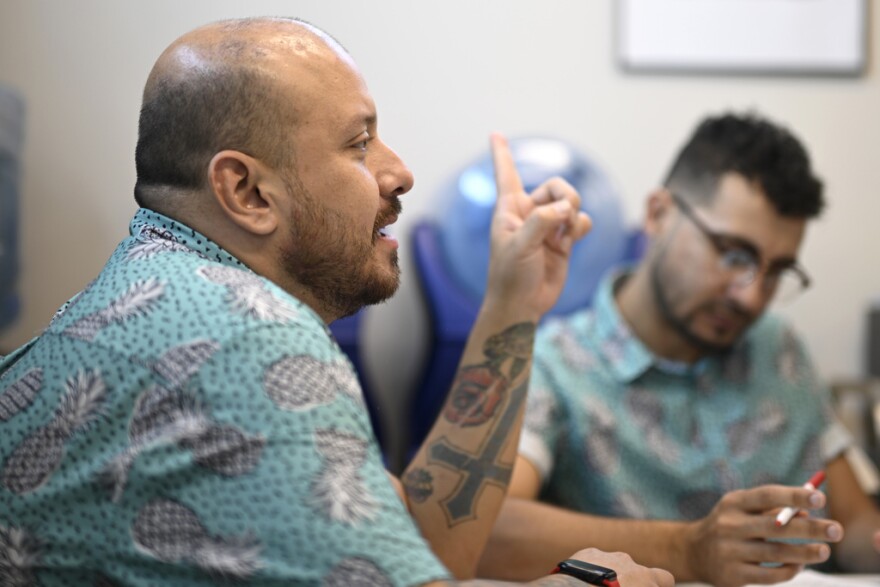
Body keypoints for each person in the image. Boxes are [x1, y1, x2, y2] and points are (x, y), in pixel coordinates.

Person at [0, 17, 674, 587]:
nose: (400, 171)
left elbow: (420, 544)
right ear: (247, 192)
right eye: (359, 143)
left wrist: (512, 302)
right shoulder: (242, 338)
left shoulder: (161, 292)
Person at [478, 112, 880, 586]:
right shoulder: (558, 363)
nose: (751, 296)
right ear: (658, 214)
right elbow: (487, 532)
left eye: (775, 272)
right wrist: (688, 549)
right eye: (733, 254)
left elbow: (855, 522)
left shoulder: (778, 346)